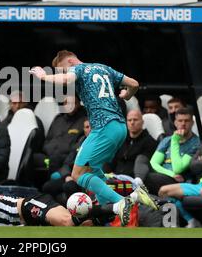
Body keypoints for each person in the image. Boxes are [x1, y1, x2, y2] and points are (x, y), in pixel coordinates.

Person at [29, 50, 158, 226]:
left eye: (64, 70)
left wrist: (44, 77)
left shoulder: (79, 69)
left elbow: (67, 79)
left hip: (103, 128)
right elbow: (134, 83)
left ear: (71, 61)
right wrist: (127, 95)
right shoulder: (104, 68)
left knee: (78, 174)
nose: (65, 75)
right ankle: (109, 214)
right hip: (120, 127)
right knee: (94, 171)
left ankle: (123, 201)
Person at [144, 108, 200, 195]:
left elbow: (178, 169)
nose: (183, 124)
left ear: (192, 123)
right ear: (175, 123)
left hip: (179, 181)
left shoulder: (196, 143)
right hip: (168, 174)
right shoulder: (167, 140)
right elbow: (153, 163)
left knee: (147, 177)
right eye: (180, 121)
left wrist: (175, 141)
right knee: (141, 159)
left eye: (187, 121)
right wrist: (171, 174)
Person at [42, 119, 91, 206]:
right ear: (83, 129)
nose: (89, 129)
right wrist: (67, 175)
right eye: (87, 127)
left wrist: (76, 177)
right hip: (71, 175)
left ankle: (74, 214)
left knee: (68, 186)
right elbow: (67, 162)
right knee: (48, 186)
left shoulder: (99, 143)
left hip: (85, 179)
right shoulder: (80, 142)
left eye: (92, 127)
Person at [104, 110, 157, 179]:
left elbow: (145, 165)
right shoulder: (121, 139)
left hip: (136, 179)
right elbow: (111, 160)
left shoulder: (150, 142)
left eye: (135, 120)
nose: (132, 122)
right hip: (114, 177)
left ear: (142, 122)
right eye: (129, 120)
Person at [41, 95, 87, 174]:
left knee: (54, 162)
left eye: (73, 103)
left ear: (78, 104)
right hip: (49, 155)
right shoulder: (58, 119)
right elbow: (48, 139)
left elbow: (80, 144)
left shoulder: (84, 121)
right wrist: (48, 149)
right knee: (33, 158)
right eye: (66, 103)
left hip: (67, 158)